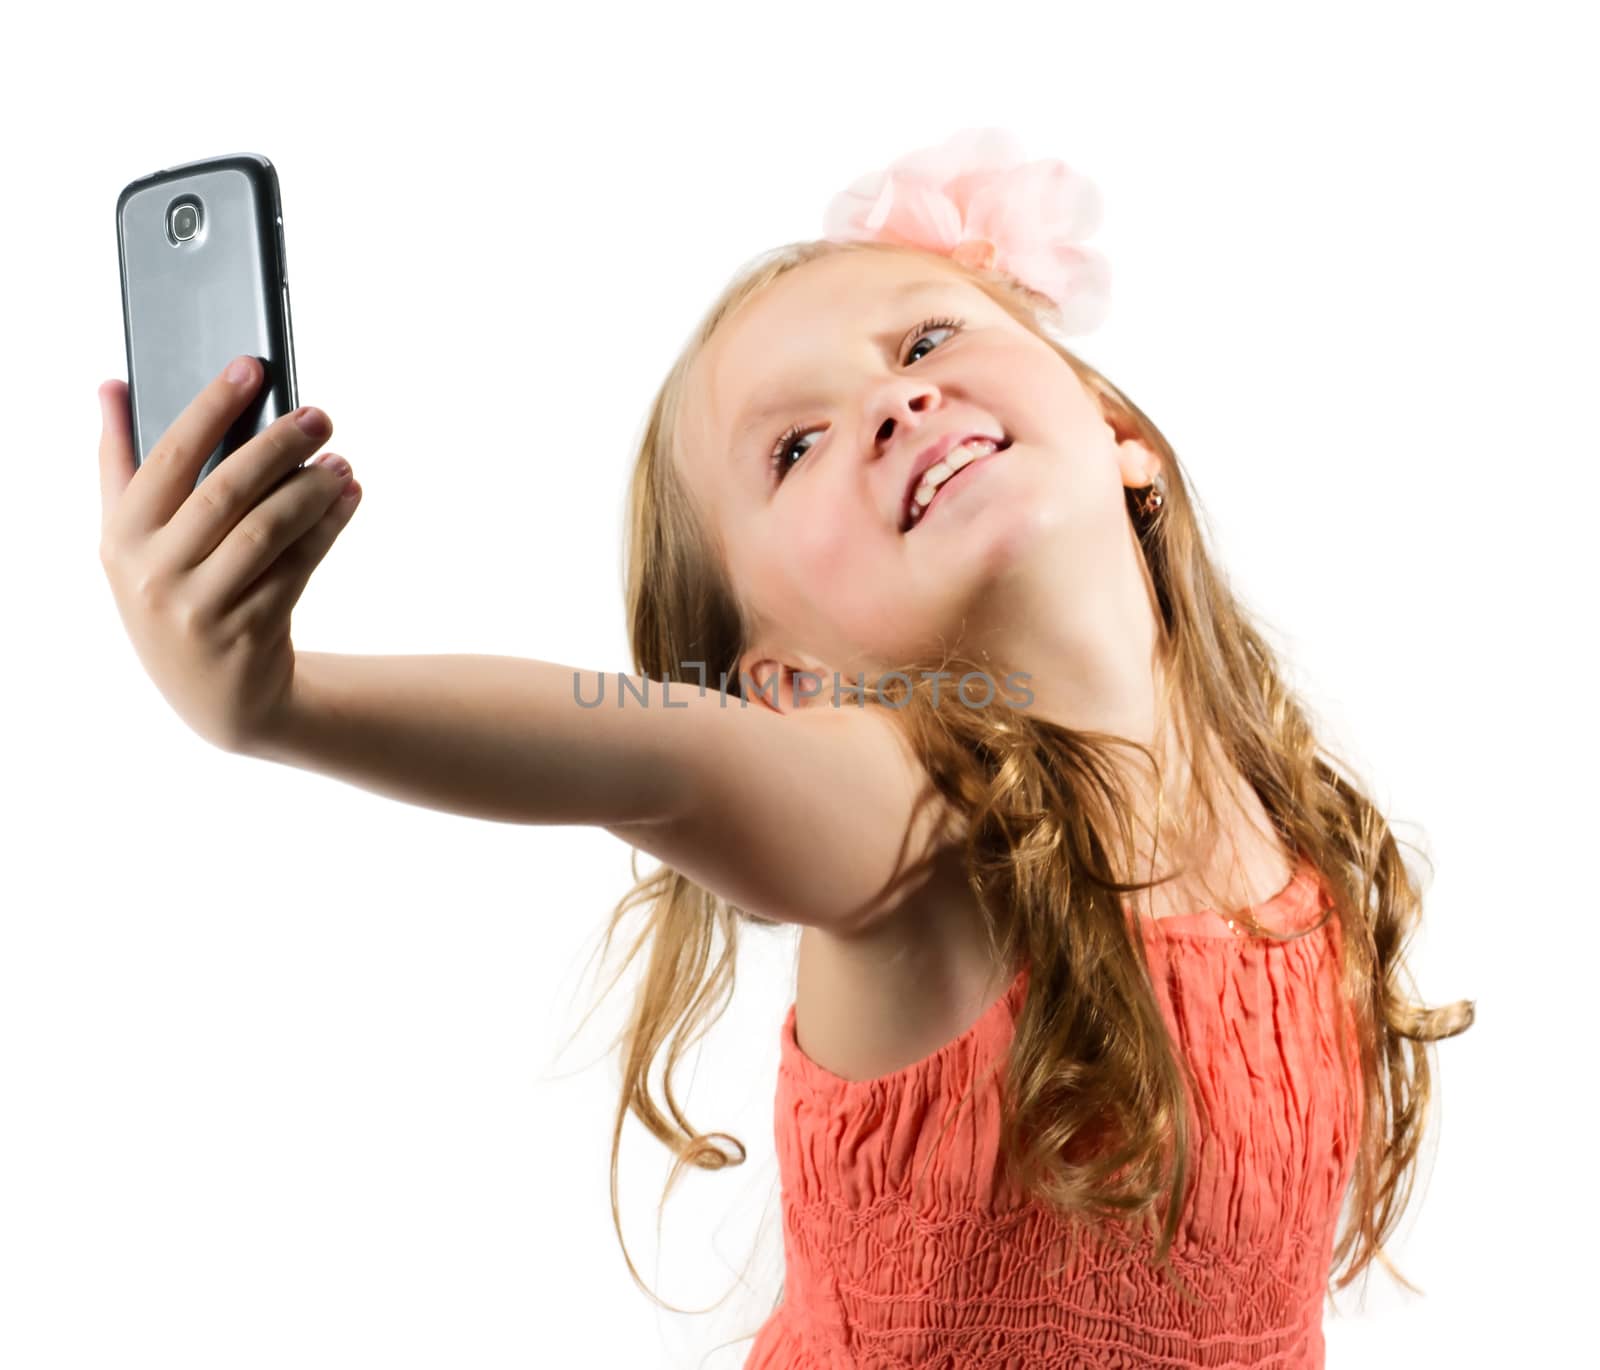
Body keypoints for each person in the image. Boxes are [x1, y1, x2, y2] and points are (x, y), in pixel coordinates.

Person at [95, 127, 1474, 1367]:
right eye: (795, 446)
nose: (896, 403)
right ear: (790, 684)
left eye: (927, 342)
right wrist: (281, 701)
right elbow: (646, 751)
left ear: (1118, 433)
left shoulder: (1282, 816)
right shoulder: (916, 831)